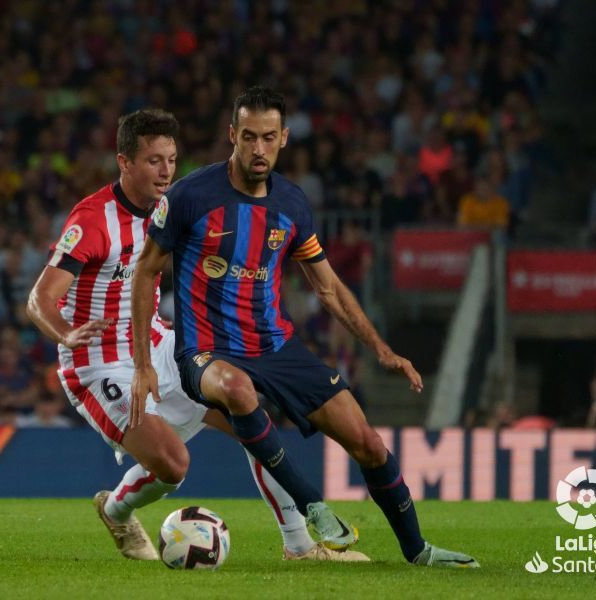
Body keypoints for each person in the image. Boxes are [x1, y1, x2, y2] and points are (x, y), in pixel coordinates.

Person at [131, 86, 479, 568]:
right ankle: (312, 504)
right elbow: (146, 270)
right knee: (236, 389)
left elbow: (328, 287)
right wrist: (144, 366)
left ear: (284, 138)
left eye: (268, 138)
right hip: (206, 352)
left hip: (277, 349)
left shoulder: (292, 204)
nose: (257, 149)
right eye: (248, 137)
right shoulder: (190, 195)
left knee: (370, 444)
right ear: (232, 135)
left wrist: (380, 347)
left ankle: (418, 551)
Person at [26, 108, 366, 562]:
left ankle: (300, 546)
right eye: (153, 161)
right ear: (124, 163)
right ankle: (116, 509)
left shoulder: (177, 209)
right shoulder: (93, 220)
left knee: (249, 414)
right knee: (172, 465)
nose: (166, 171)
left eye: (171, 159)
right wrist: (67, 335)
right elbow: (39, 300)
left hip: (158, 344)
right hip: (98, 363)